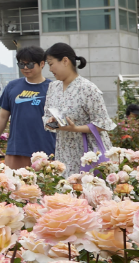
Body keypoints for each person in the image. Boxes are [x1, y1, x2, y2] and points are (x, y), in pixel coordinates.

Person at [42, 42, 116, 173]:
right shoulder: (53, 87)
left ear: (65, 61)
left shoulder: (88, 88)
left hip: (89, 153)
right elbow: (47, 116)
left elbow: (102, 123)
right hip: (64, 151)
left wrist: (74, 128)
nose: (49, 69)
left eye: (51, 63)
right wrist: (52, 122)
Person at [0, 46, 54, 170]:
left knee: (45, 188)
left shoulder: (53, 88)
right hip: (17, 149)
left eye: (30, 64)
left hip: (46, 150)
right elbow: (3, 117)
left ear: (42, 64)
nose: (25, 68)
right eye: (21, 64)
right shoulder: (12, 86)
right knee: (15, 187)